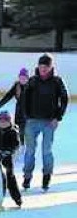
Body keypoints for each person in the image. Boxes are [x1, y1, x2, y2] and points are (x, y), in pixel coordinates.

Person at [21, 53, 69, 191]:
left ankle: (46, 176)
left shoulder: (57, 81)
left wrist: (58, 117)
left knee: (46, 151)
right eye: (41, 66)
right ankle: (27, 176)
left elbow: (65, 99)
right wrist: (27, 116)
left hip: (49, 122)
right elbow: (25, 98)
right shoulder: (33, 81)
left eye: (46, 66)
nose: (43, 69)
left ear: (50, 67)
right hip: (32, 121)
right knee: (29, 150)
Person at [0, 68, 29, 145]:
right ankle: (20, 144)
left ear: (27, 78)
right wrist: (0, 104)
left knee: (25, 130)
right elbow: (9, 95)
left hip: (28, 112)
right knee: (17, 129)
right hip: (19, 111)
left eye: (24, 78)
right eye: (21, 78)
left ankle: (25, 145)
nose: (22, 79)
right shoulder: (16, 86)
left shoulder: (31, 85)